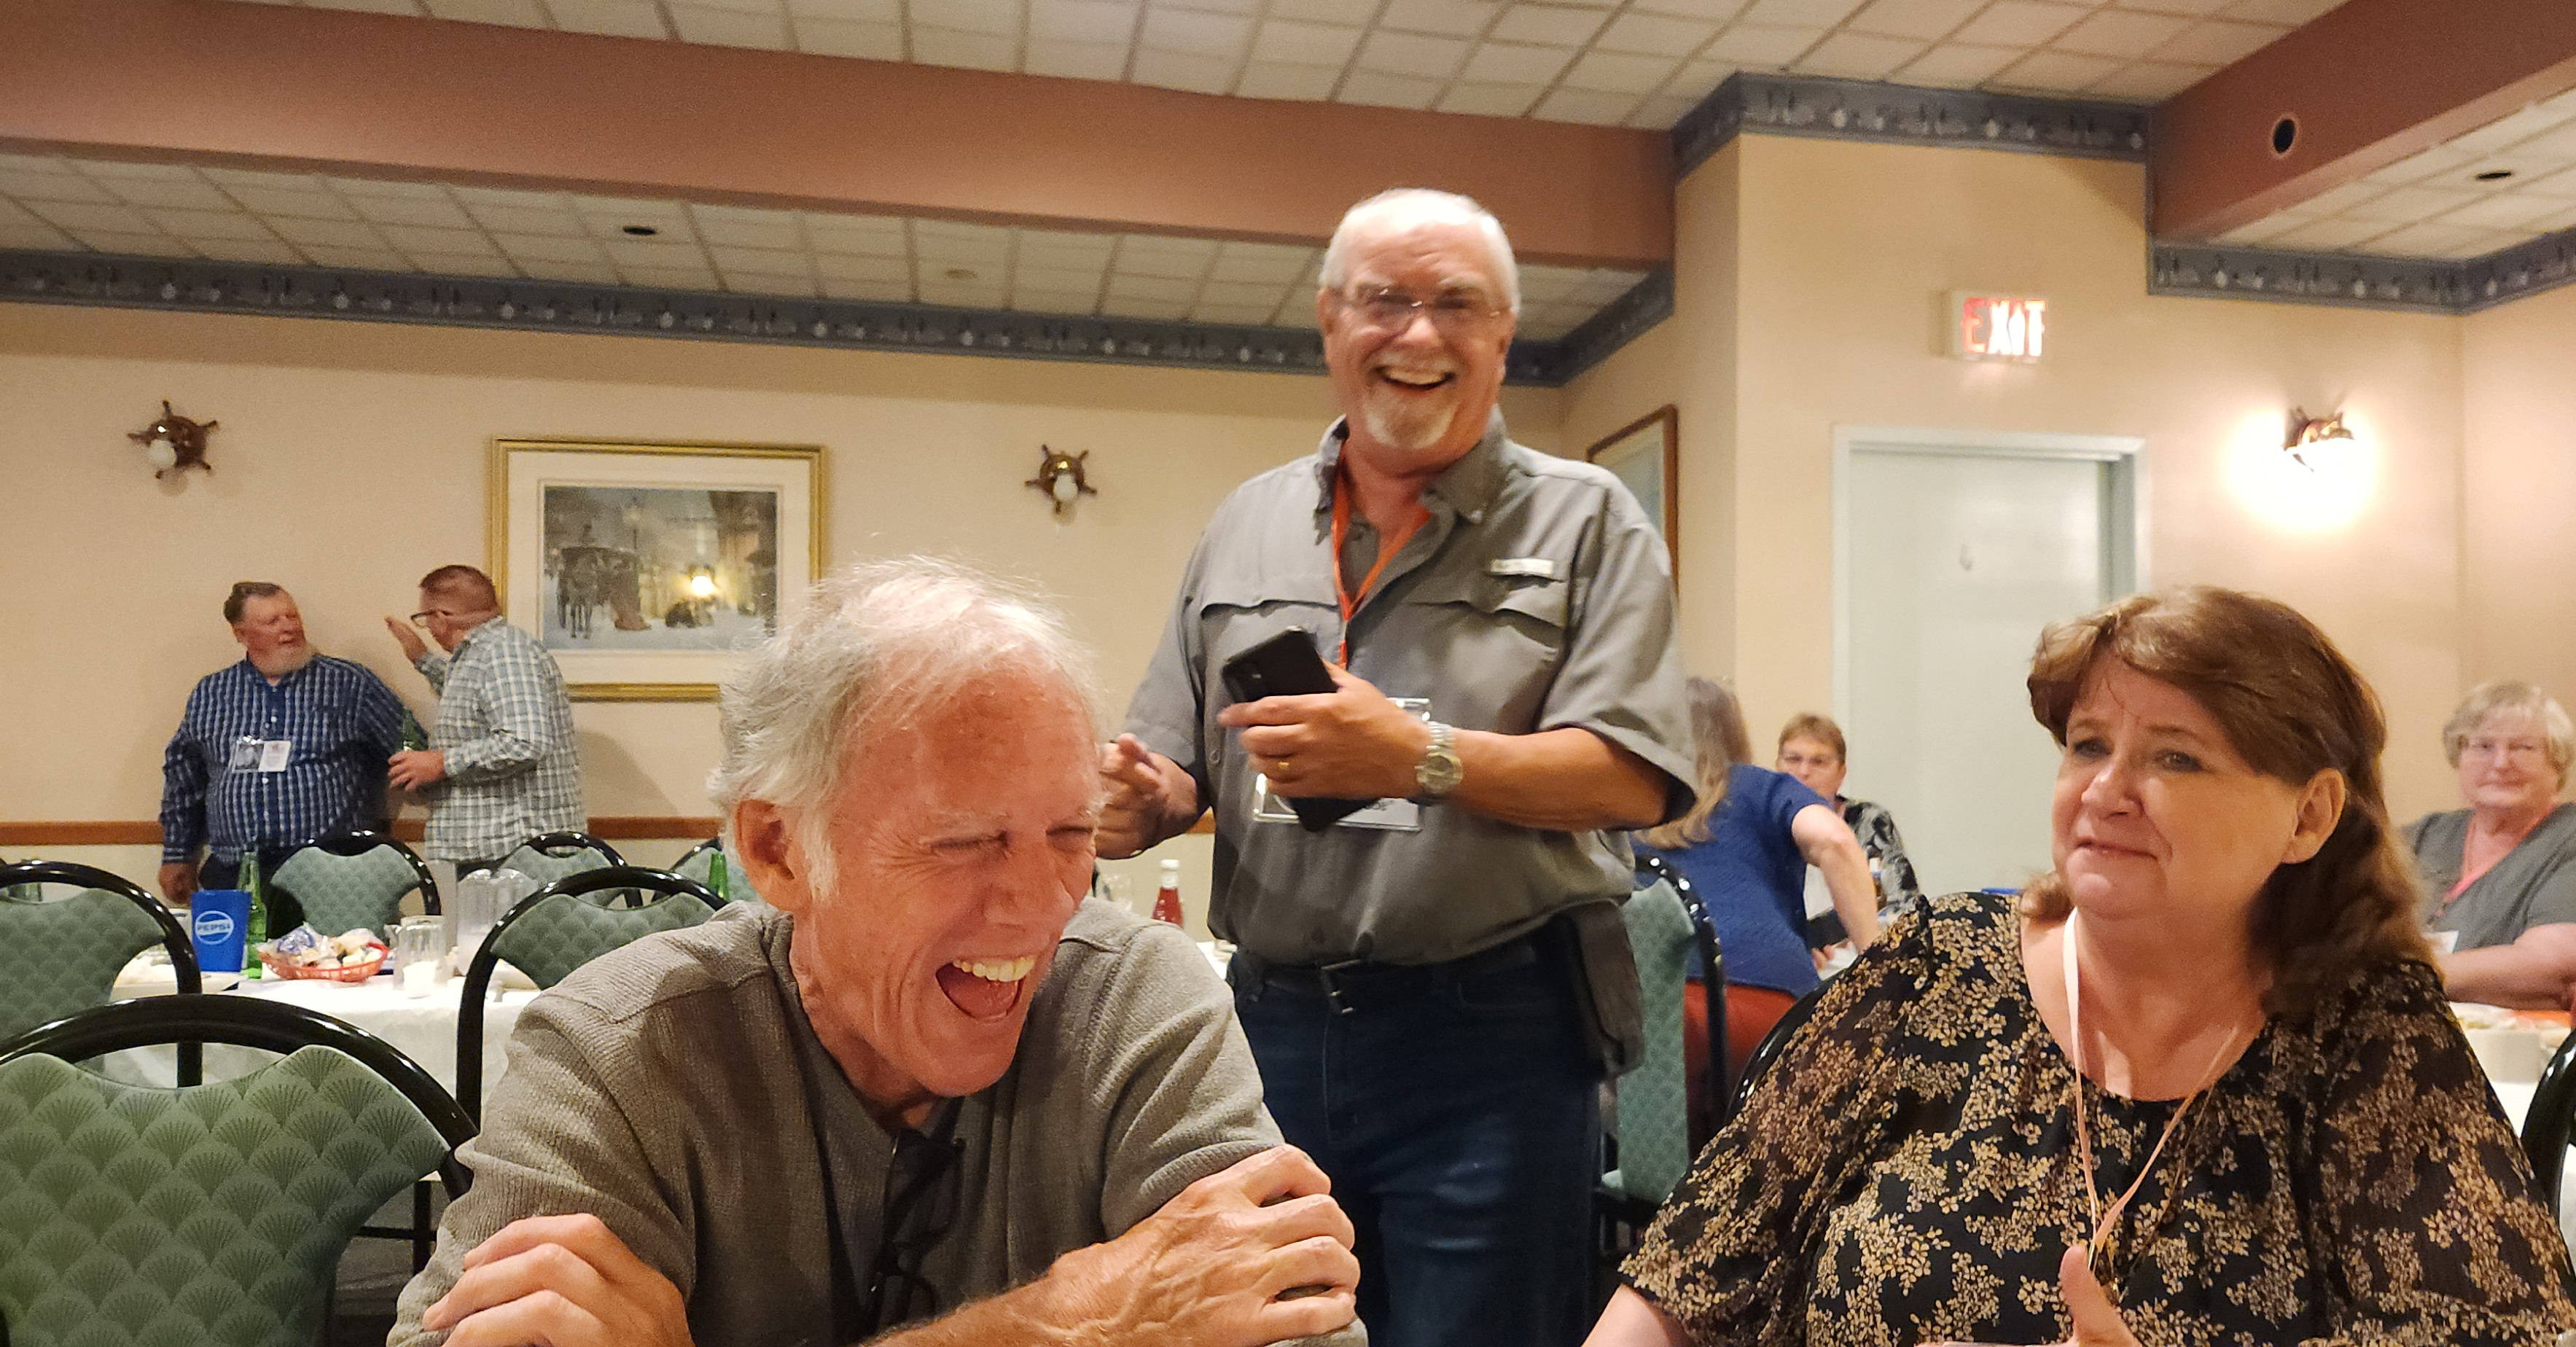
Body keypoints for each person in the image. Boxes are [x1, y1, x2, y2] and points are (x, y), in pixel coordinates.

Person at [394, 557, 1361, 1347]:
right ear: (778, 850)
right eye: (965, 839)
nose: (1044, 902)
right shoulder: (618, 1048)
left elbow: (1293, 1324)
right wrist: (1073, 1321)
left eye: (1072, 831)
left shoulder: (1136, 1001)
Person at [1591, 586, 2576, 1347]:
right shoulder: (1935, 974)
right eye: (2088, 744)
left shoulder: (2365, 1036)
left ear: (2310, 815)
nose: (2106, 790)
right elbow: (1683, 1277)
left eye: (2177, 758)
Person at [1101, 187, 1695, 1347]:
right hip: (1269, 1030)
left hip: (1494, 1039)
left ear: (1502, 337)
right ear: (1331, 322)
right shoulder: (1246, 522)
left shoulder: (1590, 522)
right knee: (1273, 1332)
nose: (1417, 335)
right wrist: (1145, 799)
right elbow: (1178, 754)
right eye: (1384, 301)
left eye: (1455, 305)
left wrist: (1419, 756)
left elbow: (1633, 776)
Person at [1636, 681, 1878, 1120]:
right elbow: (1836, 843)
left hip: (1651, 1015)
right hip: (1766, 1013)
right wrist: (1881, 968)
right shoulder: (1762, 788)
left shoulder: (1631, 799)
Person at [2405, 680, 2576, 1010]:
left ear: (2557, 761)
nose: (2500, 763)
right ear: (2459, 756)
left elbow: (2556, 970)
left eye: (2523, 748)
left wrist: (2404, 973)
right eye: (2483, 746)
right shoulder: (2423, 837)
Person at [157, 582, 407, 910]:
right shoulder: (211, 692)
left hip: (331, 871)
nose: (289, 627)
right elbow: (184, 777)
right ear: (241, 634)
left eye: (292, 616)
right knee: (238, 962)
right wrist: (177, 853)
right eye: (273, 621)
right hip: (238, 871)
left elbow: (408, 747)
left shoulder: (348, 683)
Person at [385, 564, 583, 874]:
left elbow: (524, 742)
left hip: (516, 854)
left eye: (425, 619)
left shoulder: (504, 653)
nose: (430, 628)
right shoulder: (485, 653)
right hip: (499, 850)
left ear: (441, 616)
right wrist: (422, 659)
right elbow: (472, 705)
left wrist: (442, 763)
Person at [1773, 711, 1925, 926]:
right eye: (1793, 759)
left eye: (1819, 762)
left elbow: (1904, 908)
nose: (1804, 772)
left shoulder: (1870, 823)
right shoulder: (1760, 825)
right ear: (1777, 766)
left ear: (1841, 774)